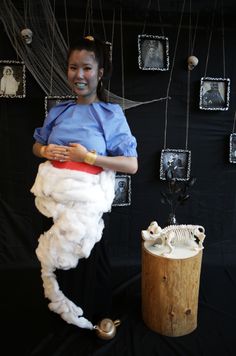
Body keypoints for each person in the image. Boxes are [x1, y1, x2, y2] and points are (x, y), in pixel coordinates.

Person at [30, 35, 138, 332]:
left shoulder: (110, 114)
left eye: (87, 68)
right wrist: (45, 150)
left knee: (87, 263)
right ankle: (61, 313)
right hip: (52, 203)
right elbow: (36, 147)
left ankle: (90, 316)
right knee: (55, 260)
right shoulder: (58, 111)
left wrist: (88, 157)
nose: (79, 75)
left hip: (85, 207)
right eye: (73, 67)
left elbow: (131, 165)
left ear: (99, 73)